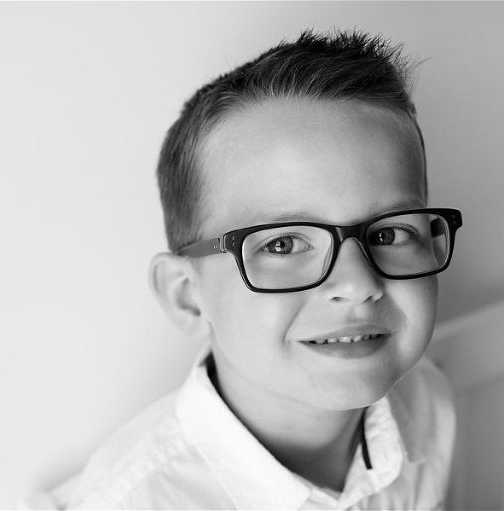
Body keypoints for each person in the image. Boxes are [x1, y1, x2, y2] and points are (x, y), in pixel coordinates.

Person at [65, 28, 462, 510]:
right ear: (187, 296)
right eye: (284, 243)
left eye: (389, 234)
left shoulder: (428, 407)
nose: (358, 284)